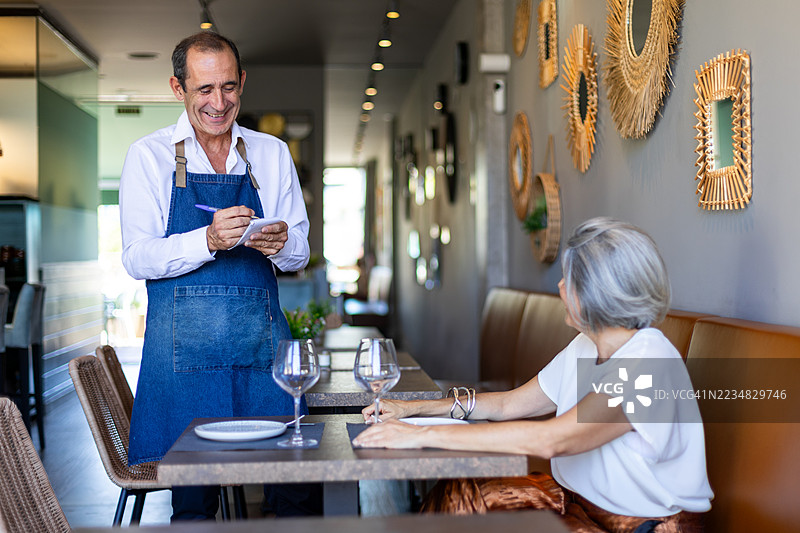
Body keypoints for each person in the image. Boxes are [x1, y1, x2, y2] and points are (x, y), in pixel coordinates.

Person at [352, 218, 713, 532]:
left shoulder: (648, 364)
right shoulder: (588, 345)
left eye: (567, 280)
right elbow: (510, 404)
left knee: (469, 510)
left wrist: (419, 438)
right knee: (462, 494)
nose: (558, 288)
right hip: (578, 505)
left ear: (596, 294)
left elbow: (551, 440)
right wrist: (413, 410)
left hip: (639, 526)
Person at [119, 32, 317, 520]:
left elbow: (300, 252)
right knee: (193, 507)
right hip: (181, 365)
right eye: (204, 89)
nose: (218, 102)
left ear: (243, 83)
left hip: (261, 356)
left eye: (228, 87)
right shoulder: (148, 156)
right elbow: (137, 258)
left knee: (294, 493)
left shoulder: (270, 154)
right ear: (177, 87)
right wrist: (206, 240)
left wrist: (281, 244)